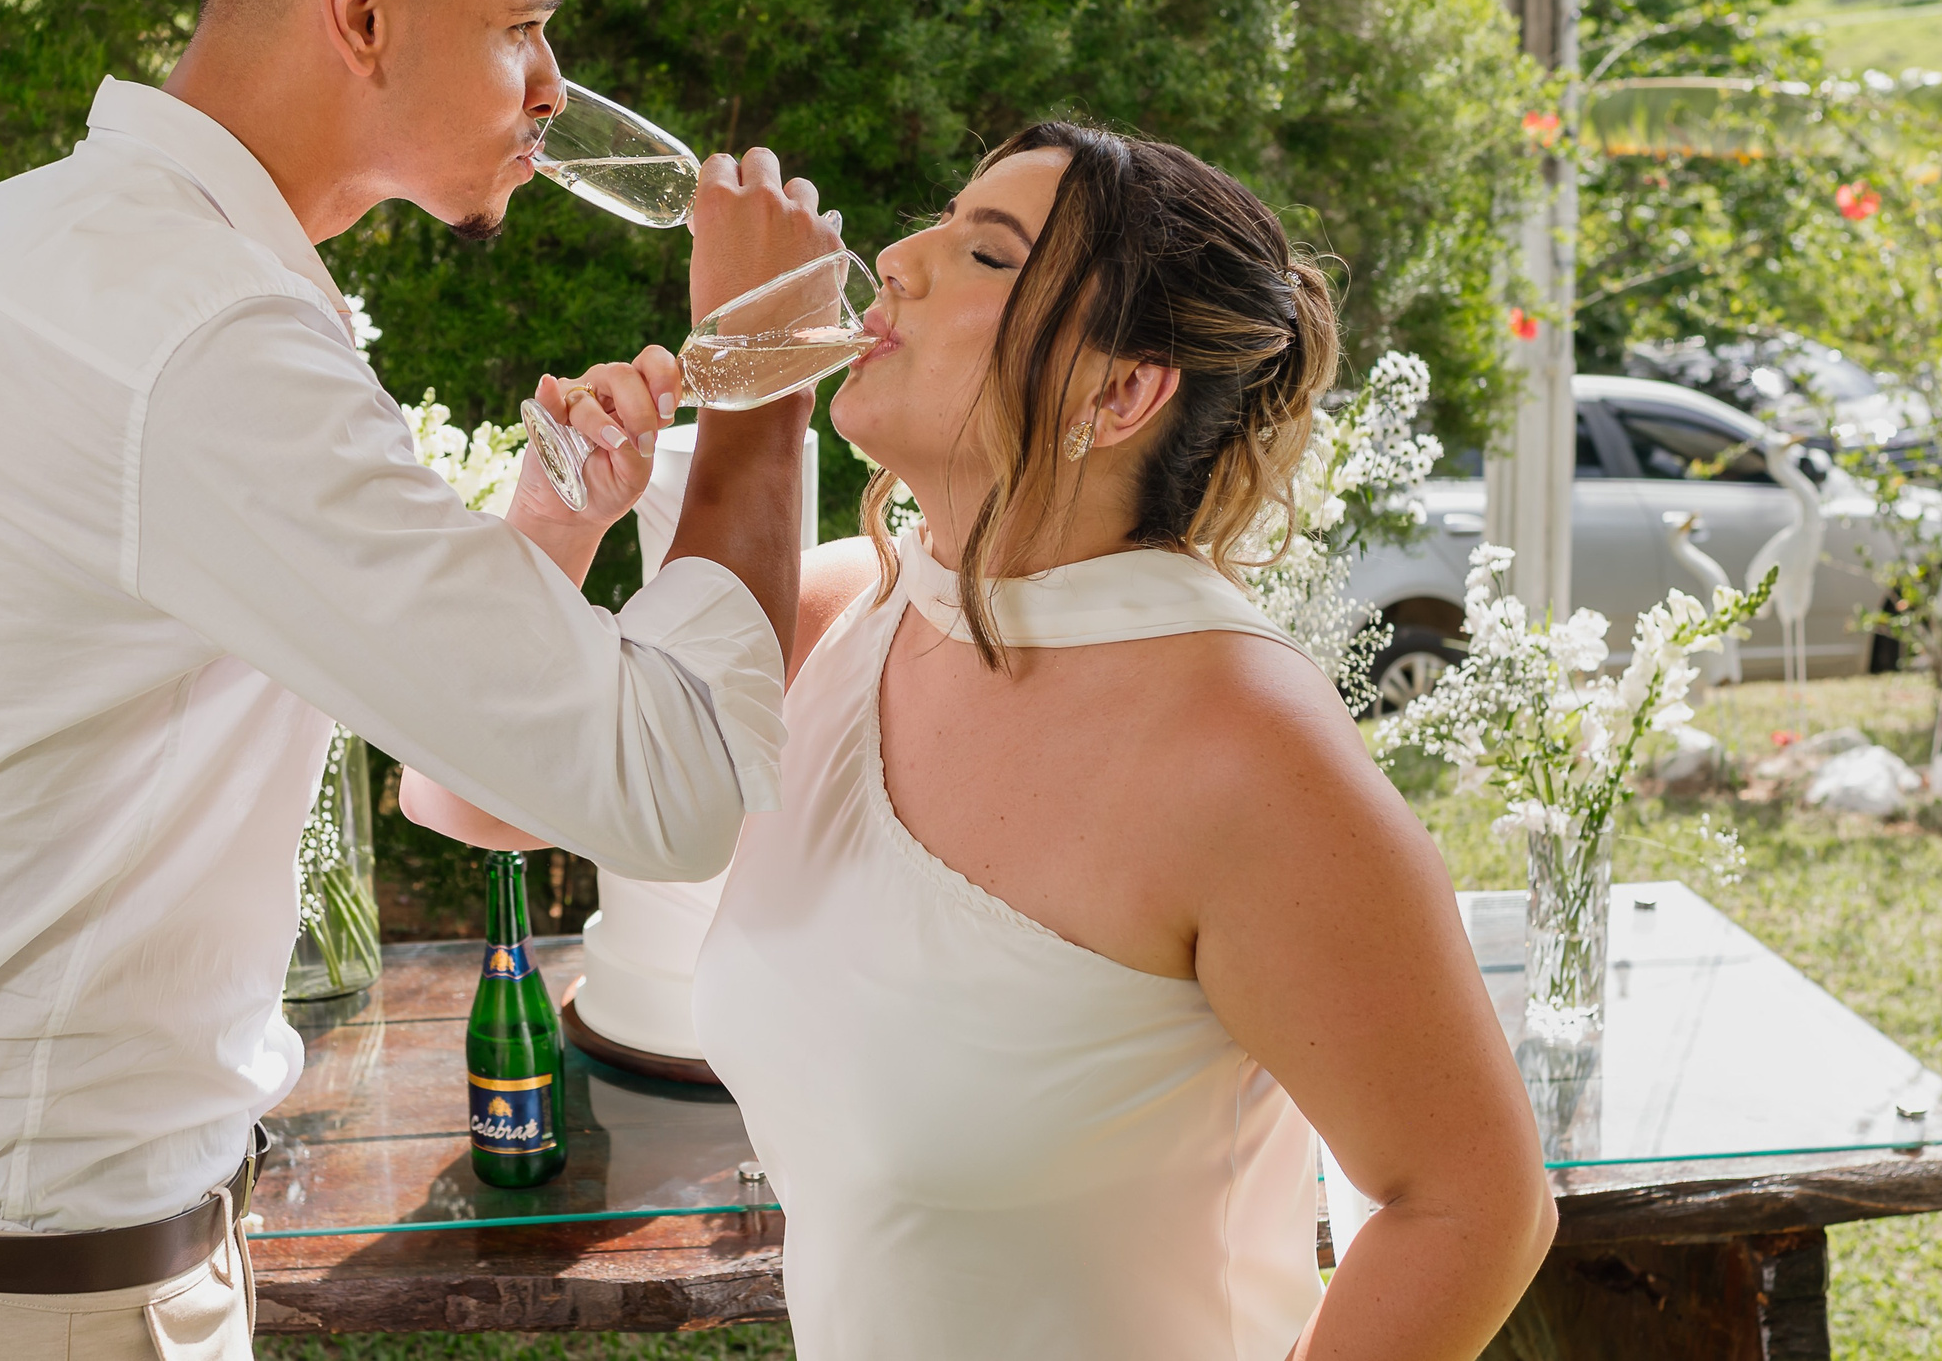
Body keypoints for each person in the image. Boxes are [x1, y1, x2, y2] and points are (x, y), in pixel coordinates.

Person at [0, 0, 839, 1360]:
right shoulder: (207, 344)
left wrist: (549, 526)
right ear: (363, 11)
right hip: (27, 1300)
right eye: (525, 28)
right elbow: (677, 785)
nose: (554, 92)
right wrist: (760, 368)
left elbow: (413, 735)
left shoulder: (20, 242)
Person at [405, 124, 1557, 1358]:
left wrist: (754, 359)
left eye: (987, 254)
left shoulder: (1240, 745)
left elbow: (1471, 1202)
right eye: (936, 222)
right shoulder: (845, 611)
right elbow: (462, 795)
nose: (894, 258)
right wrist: (557, 516)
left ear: (1119, 392)